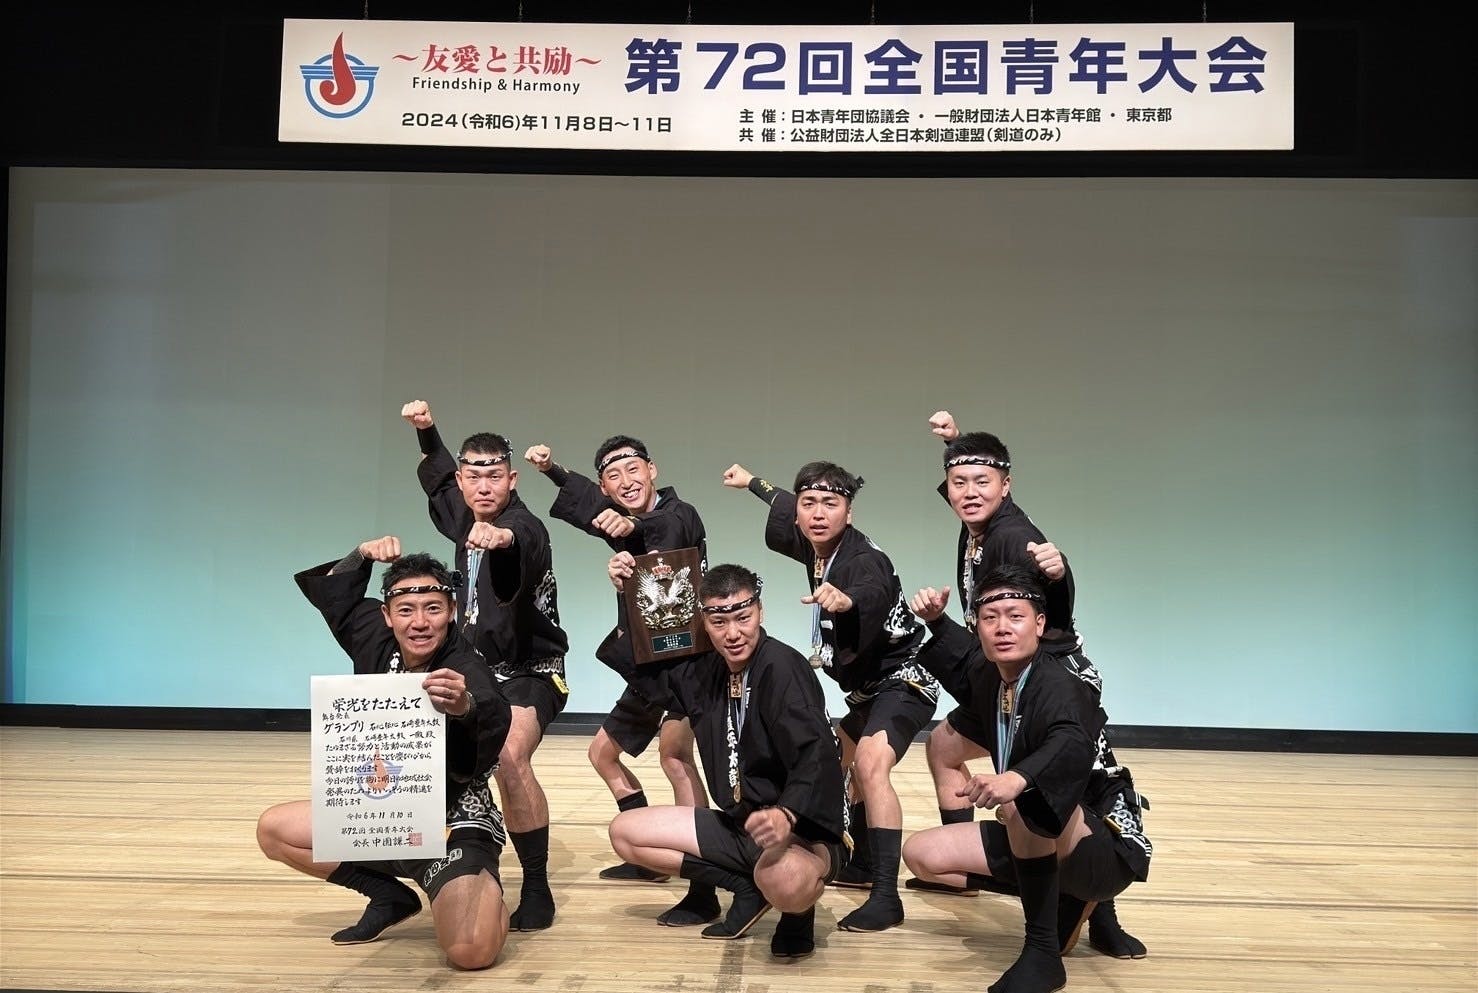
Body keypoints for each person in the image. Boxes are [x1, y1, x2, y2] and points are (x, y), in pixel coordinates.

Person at [912, 410, 1145, 959]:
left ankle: (1092, 903)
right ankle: (1021, 871)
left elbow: (1048, 608)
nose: (968, 493)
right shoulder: (978, 518)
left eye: (981, 482)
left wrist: (1060, 575)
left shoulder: (1014, 538)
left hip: (1047, 678)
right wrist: (956, 442)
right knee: (944, 745)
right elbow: (968, 481)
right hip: (1003, 678)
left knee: (1056, 787)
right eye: (958, 482)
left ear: (1007, 485)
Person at [257, 537, 512, 969]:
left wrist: (463, 706)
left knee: (470, 951)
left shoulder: (465, 667)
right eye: (406, 610)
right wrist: (361, 555)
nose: (420, 622)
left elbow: (488, 710)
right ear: (387, 615)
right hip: (379, 815)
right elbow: (336, 595)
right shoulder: (377, 639)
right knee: (275, 830)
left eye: (433, 608)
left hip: (450, 823)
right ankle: (388, 894)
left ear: (452, 611)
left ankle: (473, 884)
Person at [903, 565, 1153, 993]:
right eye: (990, 618)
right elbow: (961, 657)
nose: (1002, 627)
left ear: (1039, 624)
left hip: (1102, 848)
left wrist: (1019, 777)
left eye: (1015, 616)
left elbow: (1071, 740)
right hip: (1042, 835)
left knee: (1026, 803)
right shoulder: (993, 676)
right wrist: (937, 621)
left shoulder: (1062, 684)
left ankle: (1043, 952)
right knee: (922, 856)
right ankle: (1062, 899)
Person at [722, 461, 939, 933]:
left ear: (850, 513)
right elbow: (783, 499)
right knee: (831, 760)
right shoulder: (815, 541)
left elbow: (871, 590)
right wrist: (752, 483)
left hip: (905, 681)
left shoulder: (861, 561)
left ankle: (887, 896)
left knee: (870, 765)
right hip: (866, 692)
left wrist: (847, 601)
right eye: (809, 504)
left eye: (831, 504)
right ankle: (861, 864)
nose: (818, 513)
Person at [603, 563, 847, 958]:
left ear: (760, 612)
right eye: (719, 622)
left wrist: (787, 813)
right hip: (740, 824)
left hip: (803, 831)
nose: (732, 633)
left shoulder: (782, 668)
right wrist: (625, 596)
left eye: (742, 618)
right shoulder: (703, 672)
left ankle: (796, 915)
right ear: (704, 622)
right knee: (625, 833)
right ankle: (746, 888)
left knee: (785, 879)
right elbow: (645, 669)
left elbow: (817, 754)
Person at [524, 436, 718, 926]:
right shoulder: (616, 518)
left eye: (633, 470)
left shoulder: (680, 513)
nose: (626, 481)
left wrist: (630, 528)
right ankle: (646, 857)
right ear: (605, 488)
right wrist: (552, 470)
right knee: (602, 754)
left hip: (689, 664)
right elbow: (593, 507)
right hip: (649, 666)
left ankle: (704, 889)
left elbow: (660, 529)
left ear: (652, 469)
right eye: (613, 477)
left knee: (675, 758)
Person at [401, 400, 569, 932]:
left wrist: (499, 537)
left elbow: (522, 540)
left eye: (494, 476)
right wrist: (427, 430)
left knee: (510, 755)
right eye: (473, 477)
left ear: (512, 479)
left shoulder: (522, 524)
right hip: (476, 668)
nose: (483, 486)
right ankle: (433, 861)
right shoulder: (460, 510)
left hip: (530, 668)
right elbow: (437, 478)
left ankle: (537, 887)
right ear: (462, 481)